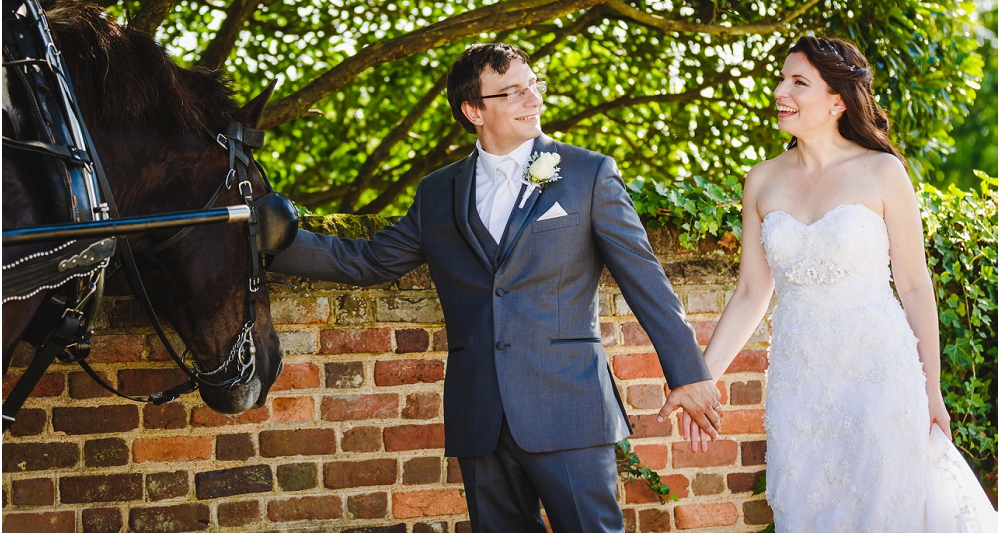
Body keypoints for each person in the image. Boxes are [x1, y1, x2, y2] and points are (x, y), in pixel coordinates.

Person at [270, 42, 722, 532]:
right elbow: (370, 260)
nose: (533, 100)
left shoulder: (588, 173)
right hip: (479, 412)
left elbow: (645, 278)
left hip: (568, 406)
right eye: (512, 93)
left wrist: (688, 373)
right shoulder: (438, 192)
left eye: (534, 86)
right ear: (473, 110)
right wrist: (270, 241)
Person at [677, 36, 996, 531]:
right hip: (800, 386)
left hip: (879, 376)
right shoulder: (761, 180)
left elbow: (914, 286)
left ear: (837, 101)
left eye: (798, 82)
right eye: (782, 78)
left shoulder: (882, 170)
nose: (780, 90)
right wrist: (702, 379)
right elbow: (750, 293)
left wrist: (932, 388)